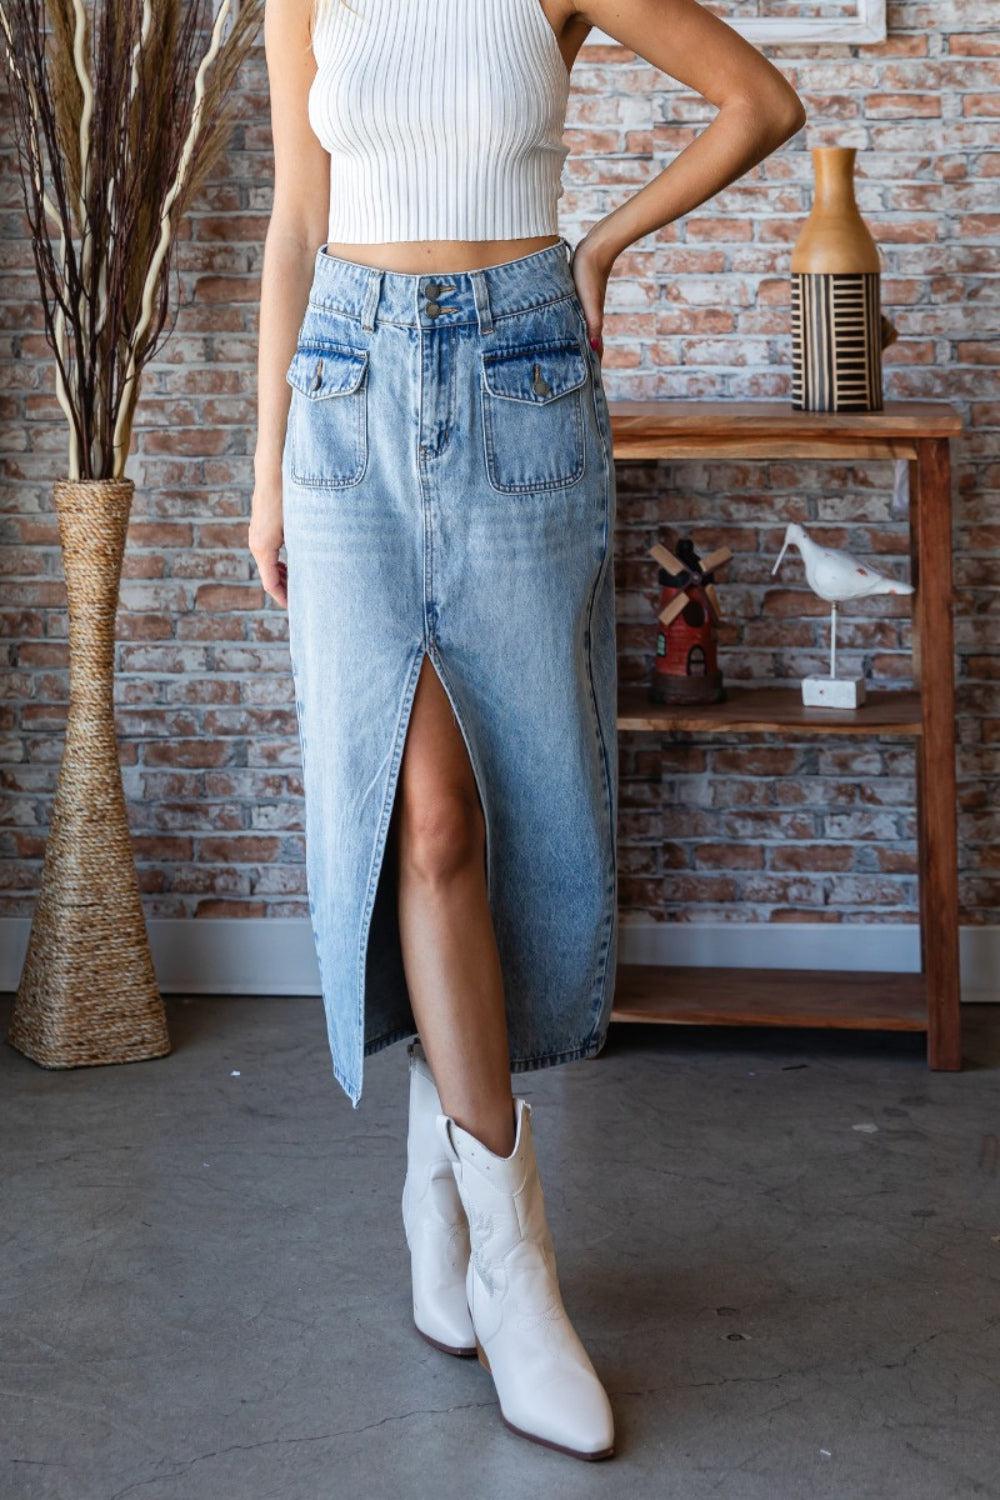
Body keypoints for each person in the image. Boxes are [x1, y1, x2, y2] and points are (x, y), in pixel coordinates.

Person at [253, 0, 804, 1461]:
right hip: (345, 394)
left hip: (521, 381)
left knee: (508, 809)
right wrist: (262, 469)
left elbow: (758, 100)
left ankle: (451, 1186)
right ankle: (513, 1263)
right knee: (419, 818)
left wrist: (604, 244)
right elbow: (295, 224)